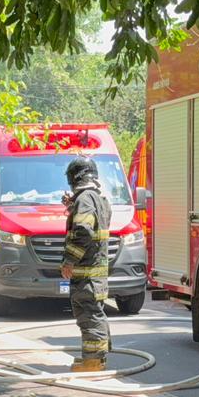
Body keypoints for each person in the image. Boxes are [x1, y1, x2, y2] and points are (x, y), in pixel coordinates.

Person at [60, 156, 112, 373]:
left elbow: (83, 231)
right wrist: (72, 206)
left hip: (86, 273)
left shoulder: (85, 200)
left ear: (74, 178)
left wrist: (69, 261)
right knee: (93, 313)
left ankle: (93, 362)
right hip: (95, 273)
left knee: (89, 315)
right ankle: (96, 359)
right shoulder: (99, 199)